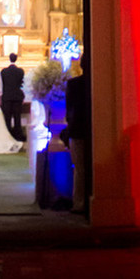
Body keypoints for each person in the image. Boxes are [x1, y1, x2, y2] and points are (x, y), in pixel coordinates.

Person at [64, 63, 90, 211]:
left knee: (79, 169)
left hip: (77, 129)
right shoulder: (94, 83)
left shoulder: (73, 84)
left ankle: (79, 203)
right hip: (93, 129)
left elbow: (69, 109)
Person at [0, 51, 27, 147]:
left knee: (7, 118)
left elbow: (2, 84)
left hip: (7, 97)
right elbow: (21, 84)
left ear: (9, 59)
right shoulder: (20, 71)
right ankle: (18, 135)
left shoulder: (3, 71)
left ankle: (7, 134)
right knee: (17, 117)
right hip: (17, 97)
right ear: (16, 59)